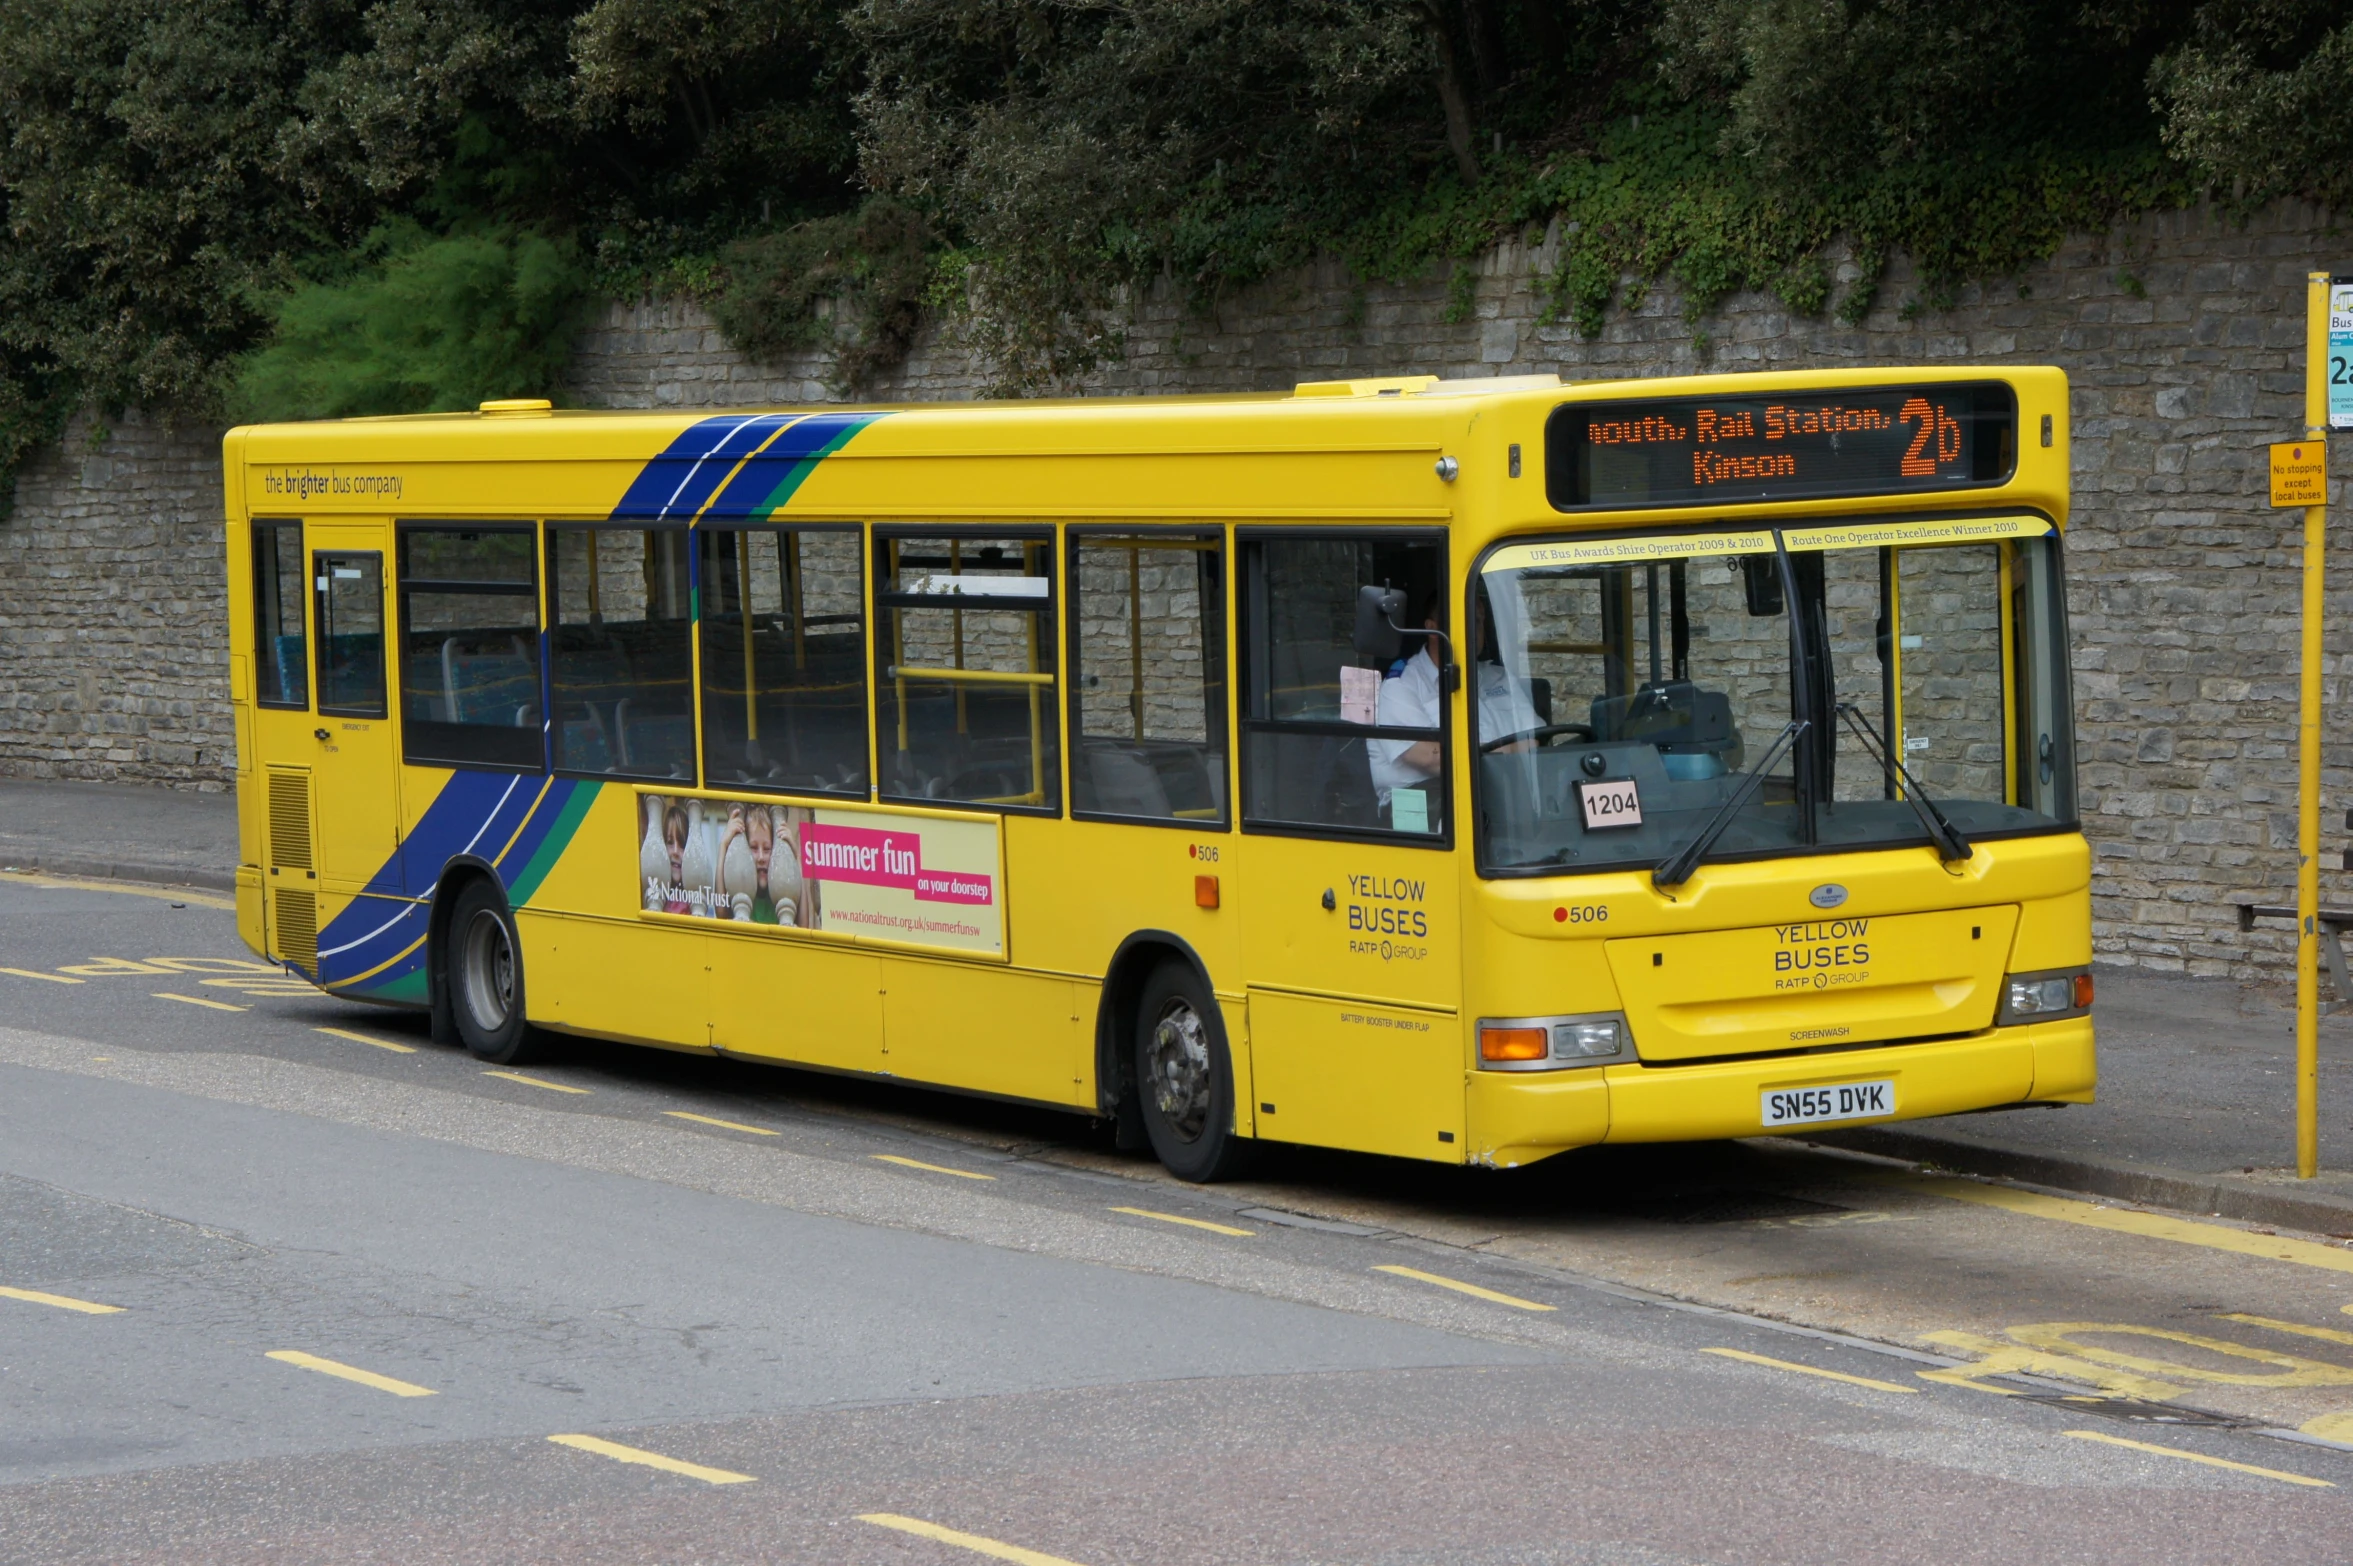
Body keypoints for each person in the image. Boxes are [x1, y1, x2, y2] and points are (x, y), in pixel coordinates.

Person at [1369, 590, 1539, 824]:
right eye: (1464, 620)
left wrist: (1491, 756)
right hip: (1417, 806)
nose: (1475, 628)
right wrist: (1504, 753)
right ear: (1433, 630)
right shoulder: (1400, 686)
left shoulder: (1499, 678)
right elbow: (1429, 758)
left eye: (1478, 620)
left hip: (1495, 795)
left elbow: (1533, 740)